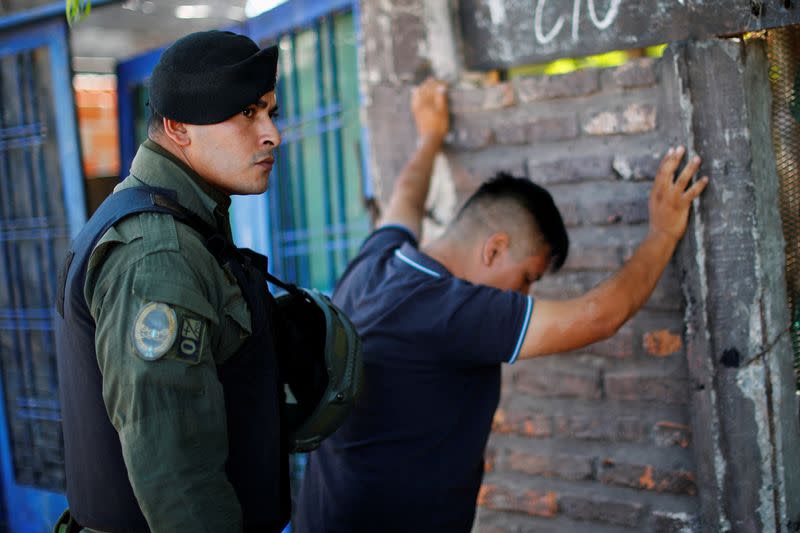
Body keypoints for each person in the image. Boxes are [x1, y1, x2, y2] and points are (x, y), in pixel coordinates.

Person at [294, 78, 709, 532]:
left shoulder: (377, 262)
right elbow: (599, 316)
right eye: (527, 277)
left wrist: (431, 135)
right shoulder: (452, 311)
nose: (525, 295)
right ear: (493, 249)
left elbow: (405, 199)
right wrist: (663, 233)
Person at [54, 30, 289, 532]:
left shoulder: (179, 218)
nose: (272, 134)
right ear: (178, 127)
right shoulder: (156, 251)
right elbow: (178, 475)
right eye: (248, 113)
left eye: (270, 111)